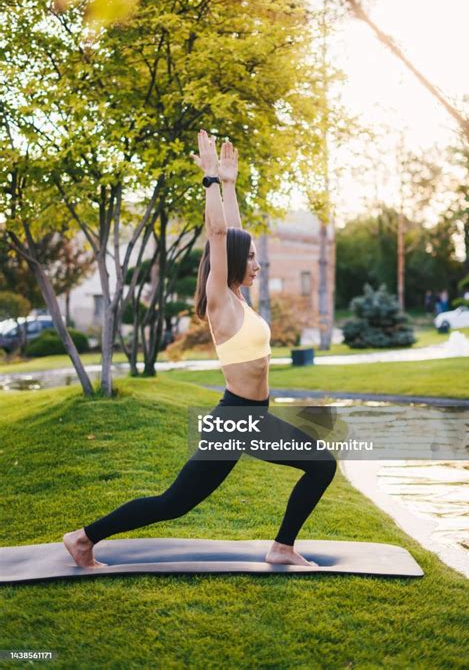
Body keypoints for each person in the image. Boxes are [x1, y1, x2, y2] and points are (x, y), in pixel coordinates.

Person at [63, 130, 337, 569]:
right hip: (238, 420)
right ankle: (84, 538)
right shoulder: (220, 300)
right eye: (249, 259)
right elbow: (219, 233)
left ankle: (282, 546)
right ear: (230, 262)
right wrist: (210, 180)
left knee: (180, 501)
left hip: (248, 416)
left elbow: (233, 232)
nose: (257, 264)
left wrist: (230, 185)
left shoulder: (237, 296)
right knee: (181, 501)